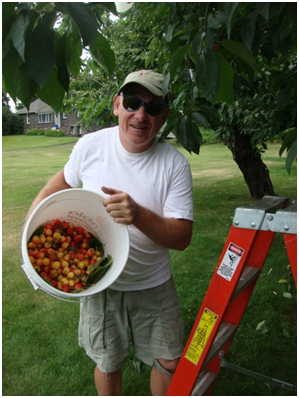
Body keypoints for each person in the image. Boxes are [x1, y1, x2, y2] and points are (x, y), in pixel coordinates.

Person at [27, 70, 194, 396]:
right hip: (100, 282)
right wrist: (29, 227)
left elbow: (182, 238)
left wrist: (138, 215)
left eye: (153, 107)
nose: (141, 115)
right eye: (132, 102)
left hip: (153, 282)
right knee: (107, 361)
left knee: (170, 360)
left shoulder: (174, 164)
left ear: (164, 116)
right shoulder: (91, 145)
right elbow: (57, 185)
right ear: (117, 104)